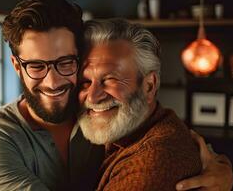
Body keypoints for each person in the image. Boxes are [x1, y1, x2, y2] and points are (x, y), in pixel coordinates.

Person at [0, 0, 233, 191]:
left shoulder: (94, 115)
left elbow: (178, 144)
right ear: (16, 65)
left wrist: (223, 171)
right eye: (36, 66)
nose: (53, 81)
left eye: (65, 63)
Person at [77, 18, 215, 190]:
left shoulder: (149, 164)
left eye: (110, 79)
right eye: (84, 81)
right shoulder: (125, 131)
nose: (92, 96)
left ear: (149, 86)